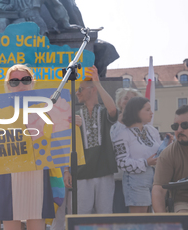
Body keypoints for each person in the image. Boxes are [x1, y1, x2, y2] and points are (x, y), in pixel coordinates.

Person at [0, 64, 55, 230]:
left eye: (25, 79)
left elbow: (57, 141)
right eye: (15, 80)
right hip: (10, 175)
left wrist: (74, 123)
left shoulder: (47, 110)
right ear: (7, 85)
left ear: (33, 82)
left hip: (37, 174)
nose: (21, 84)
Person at [68, 65, 118, 215]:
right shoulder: (74, 115)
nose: (77, 93)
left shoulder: (103, 112)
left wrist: (97, 83)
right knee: (81, 217)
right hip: (81, 174)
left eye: (80, 89)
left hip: (104, 172)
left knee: (105, 215)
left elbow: (113, 111)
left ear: (92, 89)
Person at [112, 97, 163, 213]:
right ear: (136, 112)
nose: (152, 112)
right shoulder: (122, 135)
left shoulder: (151, 131)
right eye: (147, 109)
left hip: (155, 179)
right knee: (140, 221)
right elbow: (121, 162)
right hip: (135, 181)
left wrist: (166, 145)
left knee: (156, 218)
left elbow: (158, 151)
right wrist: (145, 162)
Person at [110, 87, 143, 214]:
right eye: (126, 98)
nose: (129, 101)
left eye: (133, 99)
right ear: (119, 102)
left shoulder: (142, 126)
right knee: (119, 214)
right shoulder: (112, 125)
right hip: (118, 178)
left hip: (136, 178)